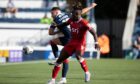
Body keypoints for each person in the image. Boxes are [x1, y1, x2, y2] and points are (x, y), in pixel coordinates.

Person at [47, 4, 100, 84]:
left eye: (75, 14)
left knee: (78, 56)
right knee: (59, 60)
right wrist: (57, 26)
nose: (73, 15)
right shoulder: (71, 19)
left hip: (80, 43)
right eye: (73, 13)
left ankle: (87, 72)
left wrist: (96, 42)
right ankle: (53, 80)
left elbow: (93, 32)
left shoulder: (84, 22)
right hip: (71, 42)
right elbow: (65, 24)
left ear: (78, 14)